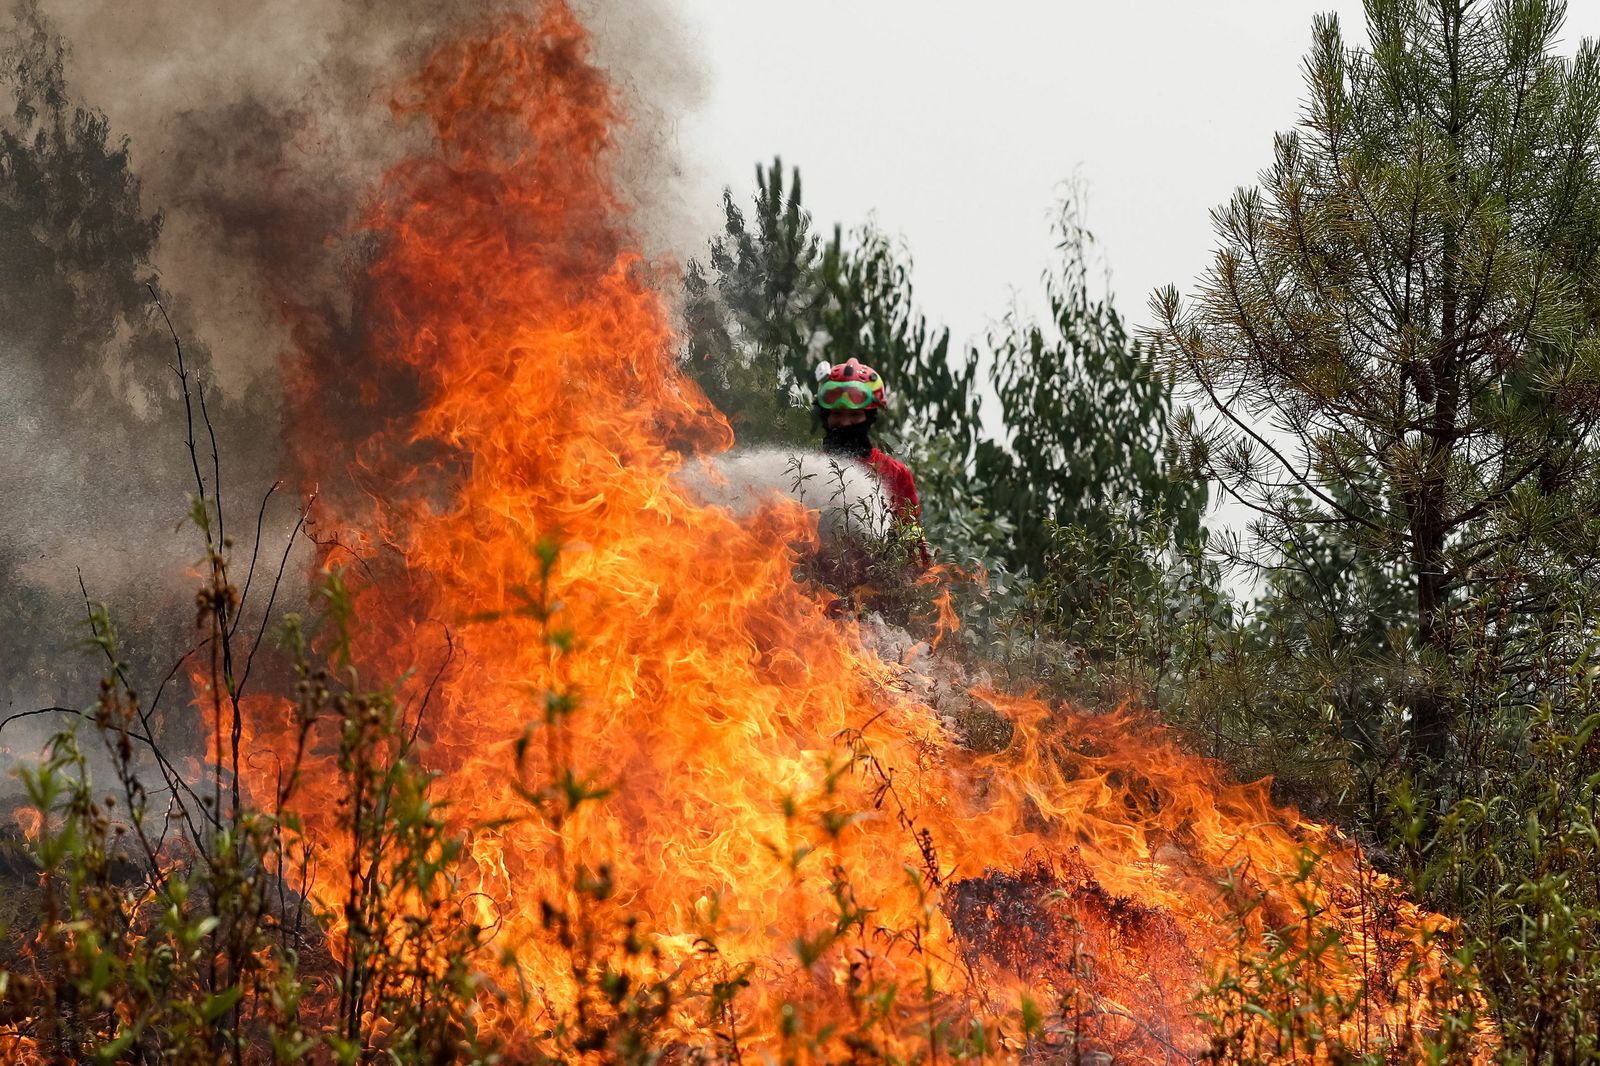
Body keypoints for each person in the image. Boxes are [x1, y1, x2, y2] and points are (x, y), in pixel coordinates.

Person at [814, 358, 930, 568]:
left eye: (854, 414)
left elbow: (912, 539)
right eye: (837, 413)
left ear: (869, 418)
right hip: (811, 586)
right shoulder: (806, 469)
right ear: (825, 416)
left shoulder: (896, 473)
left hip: (876, 587)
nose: (845, 422)